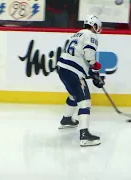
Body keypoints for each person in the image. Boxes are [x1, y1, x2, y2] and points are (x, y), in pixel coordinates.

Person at [56, 15, 105, 147]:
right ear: (94, 25)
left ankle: (66, 120)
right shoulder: (91, 35)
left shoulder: (75, 35)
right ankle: (85, 135)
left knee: (74, 94)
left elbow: (78, 56)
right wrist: (94, 66)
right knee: (84, 100)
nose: (97, 29)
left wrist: (91, 73)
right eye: (97, 27)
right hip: (73, 71)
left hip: (62, 68)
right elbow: (88, 54)